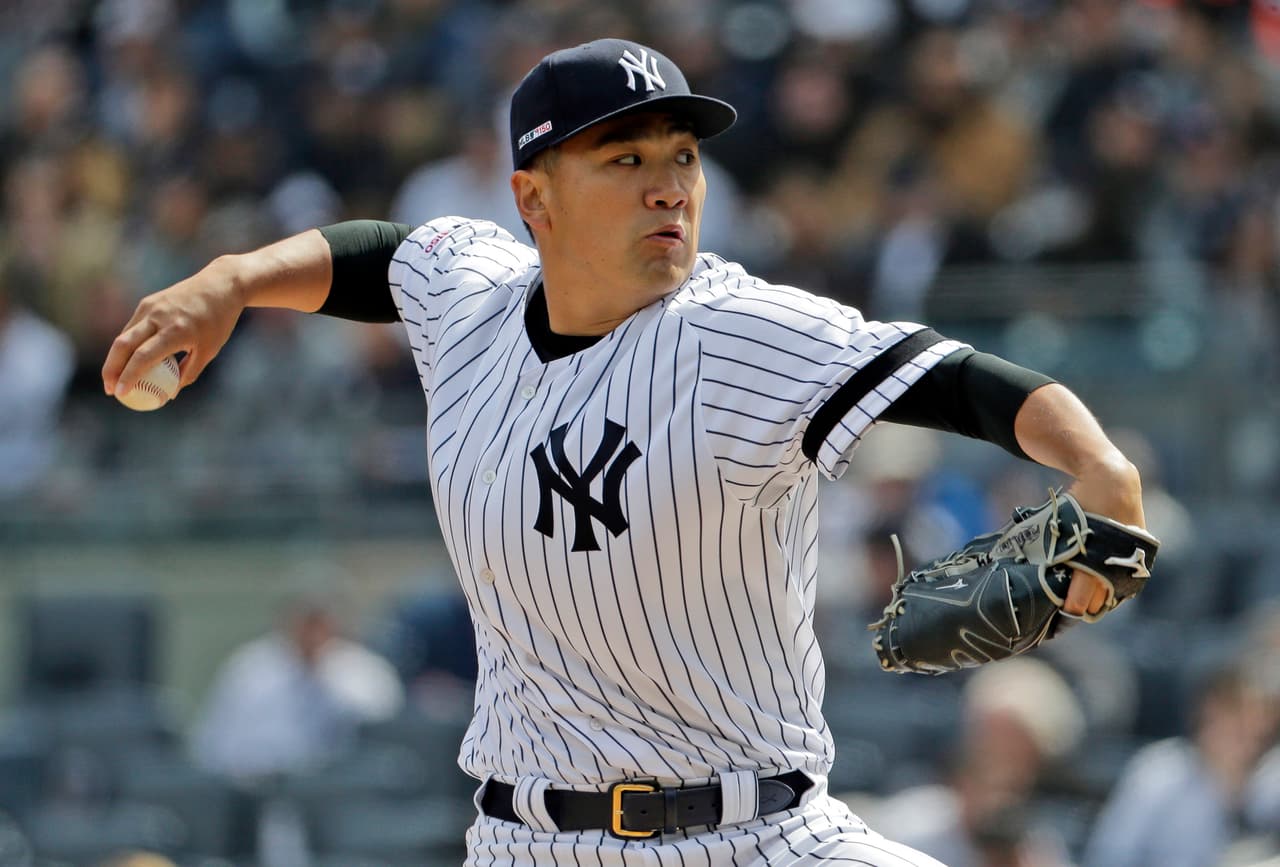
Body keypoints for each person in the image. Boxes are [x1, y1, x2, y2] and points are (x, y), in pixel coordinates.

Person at [103, 37, 1149, 867]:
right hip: (522, 843)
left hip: (754, 838)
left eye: (682, 155)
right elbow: (378, 257)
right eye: (625, 157)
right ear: (532, 198)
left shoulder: (737, 332)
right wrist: (232, 279)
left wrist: (1098, 466)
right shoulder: (468, 294)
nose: (669, 186)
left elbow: (951, 377)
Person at [190, 592, 403, 782]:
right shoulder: (248, 669)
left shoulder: (367, 672)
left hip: (341, 793)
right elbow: (212, 745)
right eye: (304, 623)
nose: (310, 633)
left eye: (318, 624)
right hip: (257, 791)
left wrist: (320, 677)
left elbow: (382, 738)